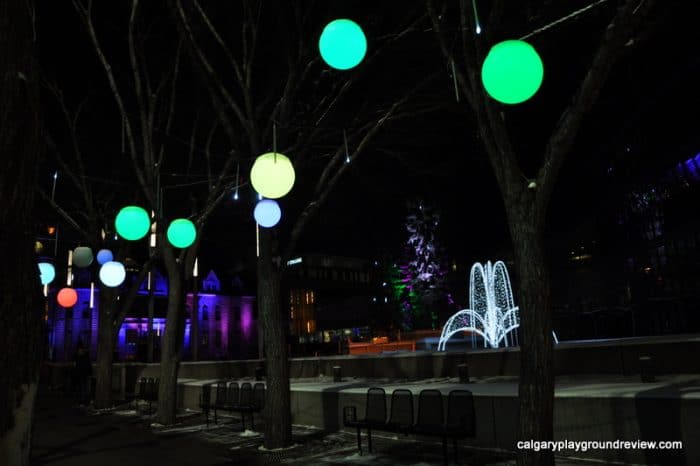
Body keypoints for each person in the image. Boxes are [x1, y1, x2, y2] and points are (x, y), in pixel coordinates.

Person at [73, 340, 92, 406]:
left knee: (84, 389)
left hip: (84, 374)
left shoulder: (82, 357)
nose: (79, 351)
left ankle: (84, 401)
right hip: (82, 375)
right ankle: (83, 401)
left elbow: (86, 365)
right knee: (82, 389)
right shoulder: (80, 356)